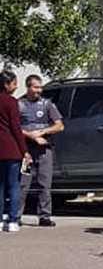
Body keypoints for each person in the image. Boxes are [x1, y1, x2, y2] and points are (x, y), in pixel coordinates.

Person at [18, 74, 63, 227]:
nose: (39, 90)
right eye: (36, 87)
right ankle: (16, 215)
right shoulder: (20, 105)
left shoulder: (46, 104)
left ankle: (44, 215)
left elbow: (59, 125)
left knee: (44, 184)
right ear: (28, 87)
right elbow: (14, 127)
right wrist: (30, 135)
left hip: (44, 151)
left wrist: (43, 132)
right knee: (23, 184)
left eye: (40, 87)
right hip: (27, 152)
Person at [0, 71, 29, 233]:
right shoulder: (11, 102)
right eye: (14, 83)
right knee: (14, 185)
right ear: (6, 84)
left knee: (0, 186)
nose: (16, 86)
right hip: (11, 149)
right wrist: (24, 150)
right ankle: (12, 220)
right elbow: (16, 128)